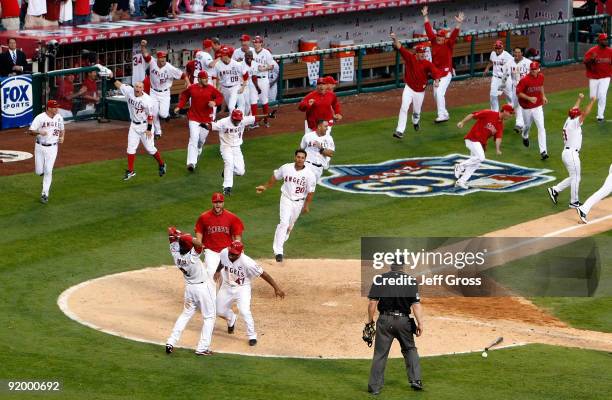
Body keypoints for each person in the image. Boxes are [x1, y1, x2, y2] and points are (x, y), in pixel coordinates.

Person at [366, 263, 424, 395]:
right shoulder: (410, 281)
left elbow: (372, 303)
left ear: (391, 266)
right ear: (403, 266)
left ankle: (374, 387)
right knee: (410, 349)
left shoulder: (380, 279)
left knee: (380, 354)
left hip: (385, 321)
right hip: (404, 322)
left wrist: (370, 322)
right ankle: (416, 380)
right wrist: (420, 323)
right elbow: (416, 305)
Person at [214, 241, 285, 346]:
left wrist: (276, 288)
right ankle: (231, 318)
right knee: (218, 310)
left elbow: (263, 274)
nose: (231, 255)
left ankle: (252, 336)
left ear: (240, 253)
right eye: (230, 252)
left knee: (244, 311)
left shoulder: (247, 262)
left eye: (234, 254)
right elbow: (222, 261)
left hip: (242, 288)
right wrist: (217, 271)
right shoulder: (225, 252)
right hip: (226, 286)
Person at [256, 149, 317, 262]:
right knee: (283, 223)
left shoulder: (309, 174)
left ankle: (283, 237)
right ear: (295, 157)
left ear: (305, 159)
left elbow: (310, 192)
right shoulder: (286, 168)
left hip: (299, 202)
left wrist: (306, 205)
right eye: (298, 157)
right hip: (286, 198)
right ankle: (278, 252)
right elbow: (275, 177)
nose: (300, 159)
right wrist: (265, 187)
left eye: (302, 158)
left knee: (289, 226)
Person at [164, 227, 216, 356]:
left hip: (190, 290)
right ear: (189, 247)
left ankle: (171, 341)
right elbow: (199, 244)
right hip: (202, 289)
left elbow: (171, 236)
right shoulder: (192, 256)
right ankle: (202, 348)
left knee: (185, 314)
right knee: (209, 317)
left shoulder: (176, 254)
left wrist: (175, 235)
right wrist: (183, 237)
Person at [389, 32, 442, 138]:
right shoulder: (410, 58)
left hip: (420, 91)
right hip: (409, 88)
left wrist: (436, 80)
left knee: (416, 111)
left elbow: (435, 71)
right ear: (416, 53)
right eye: (421, 53)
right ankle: (400, 131)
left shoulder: (427, 63)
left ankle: (415, 122)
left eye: (424, 52)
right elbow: (400, 47)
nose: (423, 54)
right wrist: (395, 38)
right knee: (404, 107)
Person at [547, 94, 595, 209]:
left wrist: (579, 98)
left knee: (574, 177)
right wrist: (592, 101)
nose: (579, 115)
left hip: (567, 153)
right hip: (572, 154)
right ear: (576, 117)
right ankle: (574, 201)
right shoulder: (574, 123)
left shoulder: (569, 120)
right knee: (576, 177)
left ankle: (555, 190)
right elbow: (585, 113)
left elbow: (574, 109)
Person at [113, 80, 166, 181]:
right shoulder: (129, 91)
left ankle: (162, 164)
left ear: (143, 89)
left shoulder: (147, 100)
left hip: (145, 126)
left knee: (150, 149)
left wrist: (149, 129)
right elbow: (119, 85)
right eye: (136, 87)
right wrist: (111, 77)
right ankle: (131, 171)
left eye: (139, 87)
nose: (137, 89)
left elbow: (150, 116)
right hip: (134, 125)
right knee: (130, 148)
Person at [454, 103, 515, 189]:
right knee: (481, 157)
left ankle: (461, 181)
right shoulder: (489, 113)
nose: (511, 115)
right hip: (472, 138)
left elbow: (498, 137)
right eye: (510, 113)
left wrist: (498, 149)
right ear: (504, 111)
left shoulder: (500, 125)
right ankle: (460, 166)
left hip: (480, 144)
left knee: (475, 163)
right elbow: (473, 115)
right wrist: (462, 122)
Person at [174, 70, 224, 172]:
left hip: (206, 119)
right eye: (204, 78)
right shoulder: (192, 88)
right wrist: (179, 106)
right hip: (193, 117)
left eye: (207, 78)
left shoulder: (211, 88)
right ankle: (191, 163)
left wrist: (215, 102)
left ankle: (199, 148)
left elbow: (220, 97)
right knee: (193, 138)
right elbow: (184, 96)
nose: (206, 80)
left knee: (200, 140)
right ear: (199, 79)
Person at [422, 5, 463, 123]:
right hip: (436, 74)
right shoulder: (434, 41)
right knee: (436, 95)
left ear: (444, 38)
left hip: (446, 73)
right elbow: (428, 29)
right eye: (438, 36)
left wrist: (458, 24)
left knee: (439, 92)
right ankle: (445, 113)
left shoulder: (448, 44)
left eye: (442, 37)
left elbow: (454, 34)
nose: (440, 38)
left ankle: (441, 115)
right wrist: (425, 16)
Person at [193, 192, 244, 278]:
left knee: (228, 275)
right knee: (211, 273)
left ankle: (225, 290)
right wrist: (199, 244)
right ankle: (212, 291)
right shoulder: (204, 217)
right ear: (212, 203)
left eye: (220, 202)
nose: (218, 204)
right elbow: (199, 232)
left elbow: (237, 234)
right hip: (211, 251)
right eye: (216, 202)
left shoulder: (231, 217)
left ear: (223, 203)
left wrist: (238, 247)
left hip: (227, 251)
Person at [143, 48, 188, 139]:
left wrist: (188, 82)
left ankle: (166, 115)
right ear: (157, 58)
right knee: (154, 113)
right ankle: (158, 132)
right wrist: (143, 46)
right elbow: (145, 55)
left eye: (164, 57)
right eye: (161, 58)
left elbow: (183, 75)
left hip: (165, 93)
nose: (163, 59)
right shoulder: (152, 62)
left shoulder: (169, 67)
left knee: (163, 114)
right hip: (154, 92)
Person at [27, 100, 65, 204]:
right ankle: (42, 173)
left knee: (48, 170)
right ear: (48, 108)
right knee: (39, 171)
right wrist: (39, 131)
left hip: (53, 148)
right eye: (54, 107)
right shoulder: (40, 118)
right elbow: (31, 131)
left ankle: (45, 193)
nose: (57, 109)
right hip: (39, 147)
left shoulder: (59, 117)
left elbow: (62, 129)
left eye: (57, 107)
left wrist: (62, 137)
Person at [516, 61, 549, 160]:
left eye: (535, 69)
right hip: (526, 107)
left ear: (538, 69)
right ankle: (525, 135)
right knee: (527, 126)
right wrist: (529, 98)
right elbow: (518, 93)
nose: (533, 71)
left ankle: (543, 151)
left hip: (538, 106)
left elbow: (541, 86)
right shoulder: (525, 80)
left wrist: (543, 96)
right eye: (532, 69)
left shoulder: (541, 76)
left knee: (541, 128)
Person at [210, 46, 249, 113]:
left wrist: (243, 87)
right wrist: (215, 87)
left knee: (231, 107)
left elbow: (245, 75)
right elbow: (214, 76)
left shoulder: (236, 64)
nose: (221, 57)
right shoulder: (217, 65)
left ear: (227, 56)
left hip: (235, 87)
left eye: (222, 55)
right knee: (230, 106)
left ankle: (235, 121)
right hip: (224, 88)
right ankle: (236, 118)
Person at [583, 33, 611, 122]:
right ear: (599, 41)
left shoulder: (610, 51)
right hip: (594, 77)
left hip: (605, 77)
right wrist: (591, 60)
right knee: (593, 97)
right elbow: (585, 62)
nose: (606, 41)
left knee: (602, 95)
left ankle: (600, 116)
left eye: (606, 39)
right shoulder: (592, 51)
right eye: (604, 40)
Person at [483, 40, 514, 112]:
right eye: (496, 48)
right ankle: (495, 112)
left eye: (499, 48)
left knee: (509, 96)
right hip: (496, 78)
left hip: (505, 78)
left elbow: (513, 65)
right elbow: (491, 61)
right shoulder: (493, 54)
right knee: (493, 95)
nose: (497, 50)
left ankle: (511, 108)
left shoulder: (507, 56)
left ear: (502, 48)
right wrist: (487, 68)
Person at [252, 36, 275, 126]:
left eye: (257, 42)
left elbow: (272, 66)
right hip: (253, 79)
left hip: (263, 79)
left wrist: (264, 68)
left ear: (261, 43)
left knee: (264, 100)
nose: (255, 44)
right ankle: (254, 121)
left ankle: (266, 119)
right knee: (253, 101)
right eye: (254, 42)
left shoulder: (266, 53)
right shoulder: (251, 52)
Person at [507, 47, 531, 133]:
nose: (516, 54)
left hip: (525, 88)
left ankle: (519, 124)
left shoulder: (528, 62)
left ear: (522, 53)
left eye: (518, 52)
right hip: (515, 88)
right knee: (516, 105)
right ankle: (521, 124)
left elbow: (536, 72)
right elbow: (506, 74)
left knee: (521, 105)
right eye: (515, 52)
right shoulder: (510, 63)